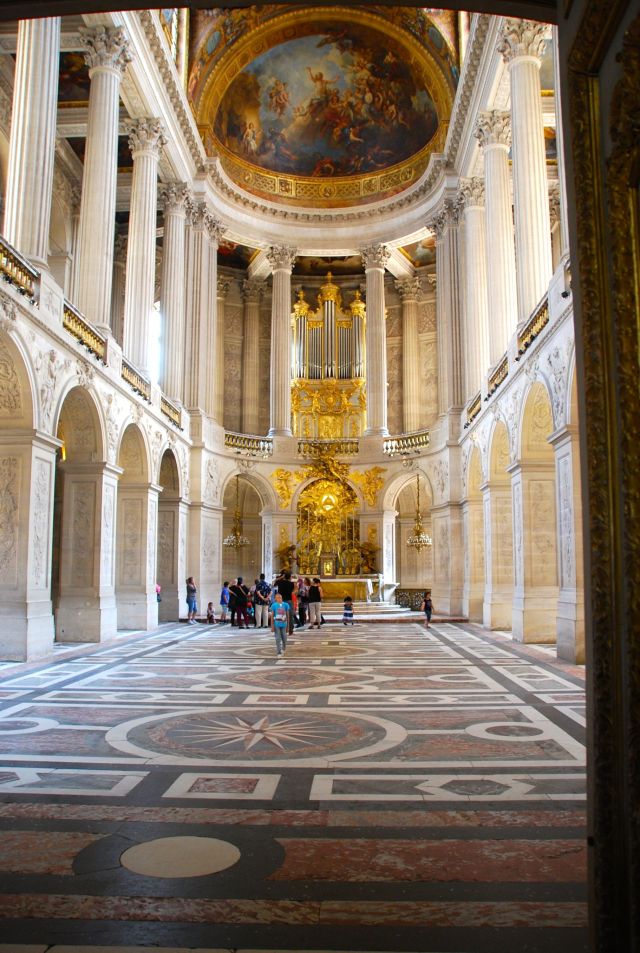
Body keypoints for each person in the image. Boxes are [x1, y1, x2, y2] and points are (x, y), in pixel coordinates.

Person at [276, 570, 295, 636]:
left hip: (280, 601)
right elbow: (292, 591)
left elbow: (274, 582)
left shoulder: (280, 582)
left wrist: (281, 577)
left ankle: (281, 631)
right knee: (290, 616)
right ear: (289, 577)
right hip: (289, 601)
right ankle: (290, 631)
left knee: (280, 616)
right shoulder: (291, 584)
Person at [269, 592, 289, 657]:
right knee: (278, 638)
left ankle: (284, 647)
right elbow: (272, 616)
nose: (279, 599)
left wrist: (288, 626)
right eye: (277, 598)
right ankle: (279, 652)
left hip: (284, 624)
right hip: (276, 624)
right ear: (275, 599)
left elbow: (287, 615)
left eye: (280, 597)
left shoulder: (286, 605)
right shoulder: (274, 605)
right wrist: (272, 626)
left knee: (284, 637)